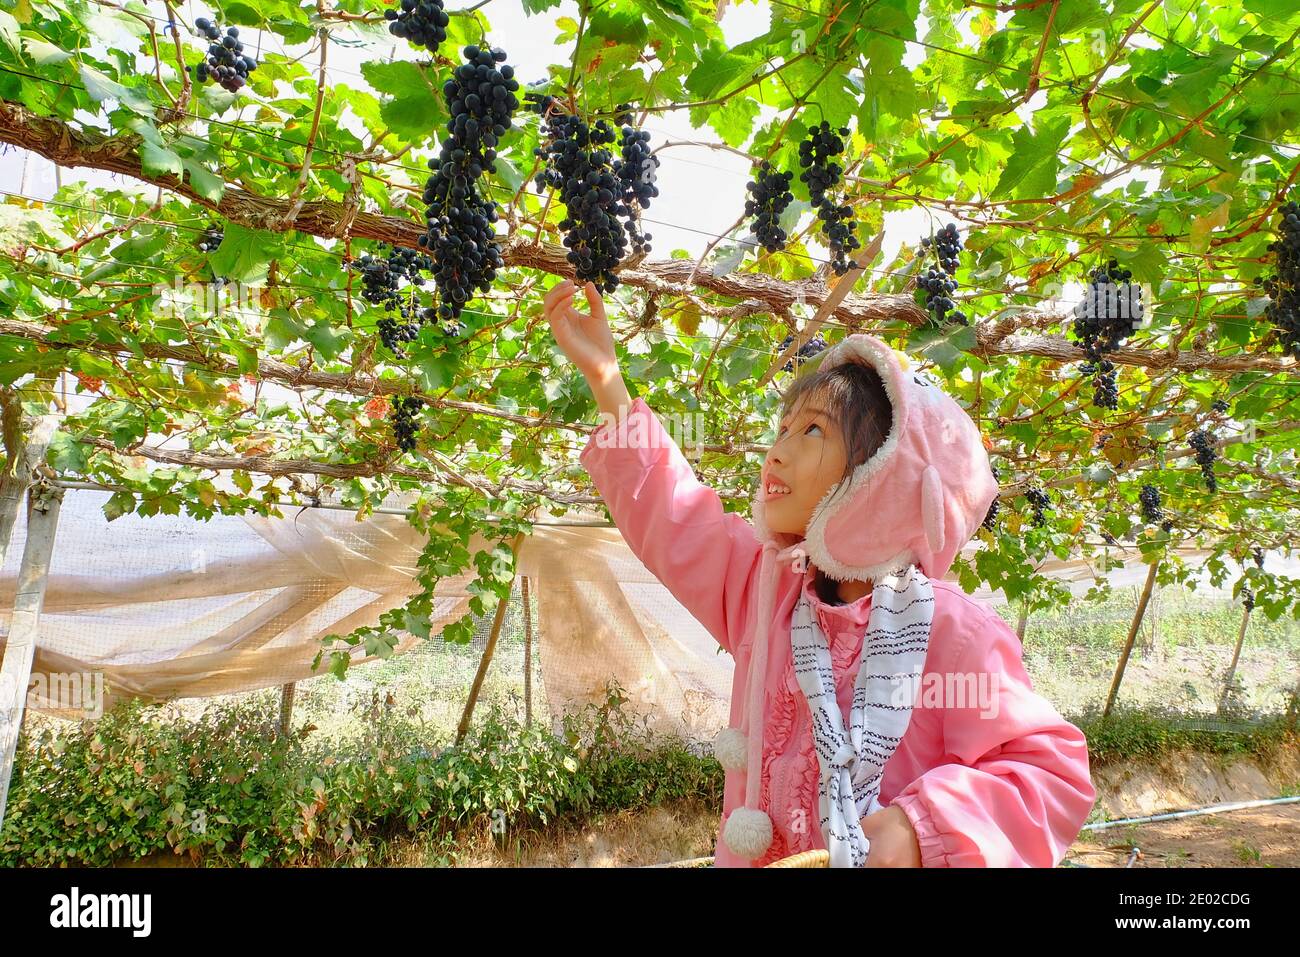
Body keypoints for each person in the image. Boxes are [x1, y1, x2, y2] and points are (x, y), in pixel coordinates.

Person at [544, 277, 1097, 868]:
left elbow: (1046, 774)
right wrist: (607, 381)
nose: (775, 452)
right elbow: (673, 513)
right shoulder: (765, 590)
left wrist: (921, 829)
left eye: (813, 431)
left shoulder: (954, 634)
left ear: (883, 478)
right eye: (783, 430)